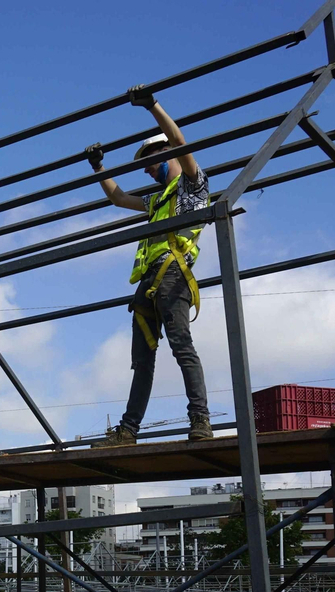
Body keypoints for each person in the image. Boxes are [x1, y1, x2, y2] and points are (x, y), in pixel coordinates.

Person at [88, 88, 213, 447]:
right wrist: (99, 167)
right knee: (142, 360)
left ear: (165, 152)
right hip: (148, 284)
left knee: (182, 347)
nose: (145, 167)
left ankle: (200, 420)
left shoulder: (192, 185)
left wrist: (151, 106)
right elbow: (117, 198)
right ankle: (128, 431)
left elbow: (179, 139)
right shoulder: (156, 199)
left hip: (174, 277)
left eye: (148, 158)